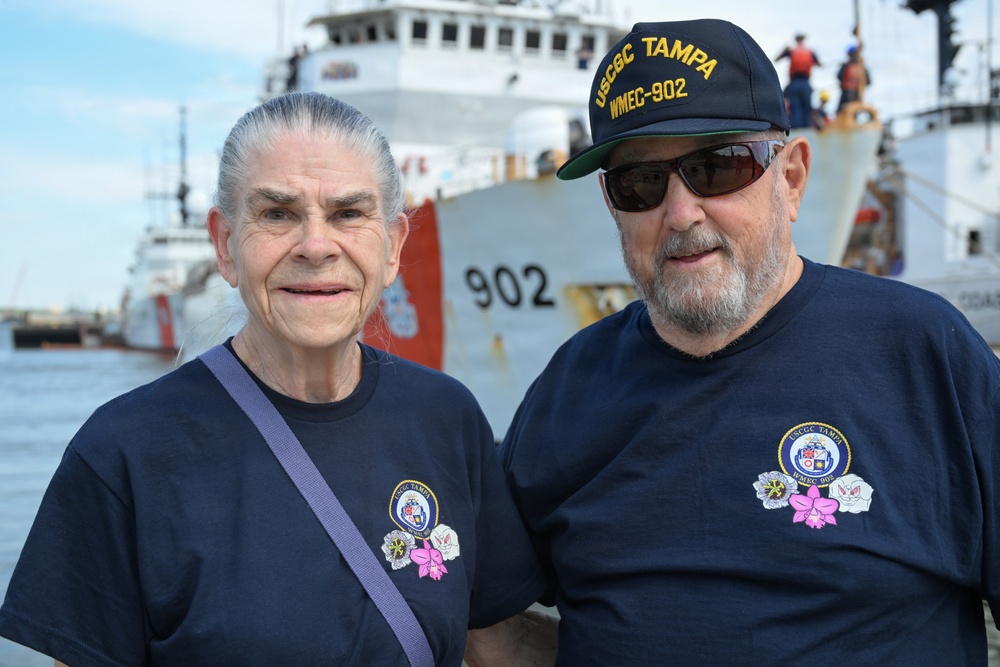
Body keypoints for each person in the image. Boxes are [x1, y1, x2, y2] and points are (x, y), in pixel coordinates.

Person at [467, 18, 1000, 665]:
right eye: (641, 182)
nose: (681, 212)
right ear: (611, 202)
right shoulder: (567, 387)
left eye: (717, 167)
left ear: (793, 176)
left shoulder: (925, 355)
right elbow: (489, 617)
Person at [0, 92, 548, 666]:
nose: (315, 246)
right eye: (277, 213)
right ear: (225, 245)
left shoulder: (446, 418)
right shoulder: (124, 453)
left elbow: (498, 644)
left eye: (348, 213)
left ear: (393, 248)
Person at [775, 32, 820, 129]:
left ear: (796, 40)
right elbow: (819, 64)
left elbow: (776, 59)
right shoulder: (810, 52)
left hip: (795, 83)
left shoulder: (791, 50)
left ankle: (796, 129)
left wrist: (784, 50)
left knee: (795, 107)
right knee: (806, 107)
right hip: (805, 83)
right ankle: (807, 128)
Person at [837, 44, 871, 112]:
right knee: (842, 111)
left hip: (857, 94)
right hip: (846, 93)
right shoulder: (846, 66)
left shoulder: (862, 67)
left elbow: (868, 81)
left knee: (854, 112)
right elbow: (839, 77)